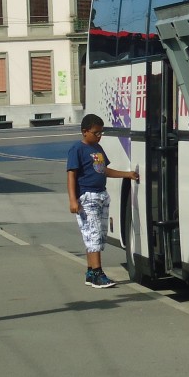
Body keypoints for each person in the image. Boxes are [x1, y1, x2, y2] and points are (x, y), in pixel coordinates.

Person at [67, 114, 139, 288]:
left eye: (101, 133)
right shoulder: (77, 149)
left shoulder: (97, 148)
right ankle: (98, 273)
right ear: (85, 132)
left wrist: (127, 175)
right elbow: (71, 175)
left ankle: (91, 272)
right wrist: (73, 200)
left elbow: (104, 170)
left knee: (98, 234)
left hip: (101, 195)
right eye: (96, 133)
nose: (99, 136)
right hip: (87, 197)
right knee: (93, 235)